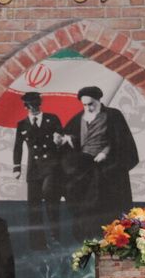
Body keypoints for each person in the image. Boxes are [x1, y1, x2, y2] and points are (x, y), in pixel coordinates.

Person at [54, 86, 139, 241]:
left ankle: (112, 237)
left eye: (91, 104)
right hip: (84, 169)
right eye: (85, 105)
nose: (88, 108)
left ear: (99, 100)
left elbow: (120, 141)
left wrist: (105, 153)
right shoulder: (78, 118)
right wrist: (65, 139)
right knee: (83, 201)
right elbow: (71, 140)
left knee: (107, 203)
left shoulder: (113, 115)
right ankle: (86, 237)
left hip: (107, 167)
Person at [12, 92, 63, 250]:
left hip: (52, 166)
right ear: (25, 107)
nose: (33, 109)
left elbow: (61, 136)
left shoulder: (52, 119)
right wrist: (17, 167)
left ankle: (55, 238)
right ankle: (37, 243)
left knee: (50, 198)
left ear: (39, 104)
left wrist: (59, 138)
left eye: (35, 105)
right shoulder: (22, 124)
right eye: (30, 106)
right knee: (33, 206)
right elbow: (18, 147)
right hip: (33, 168)